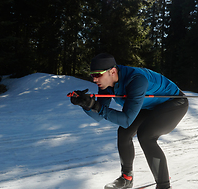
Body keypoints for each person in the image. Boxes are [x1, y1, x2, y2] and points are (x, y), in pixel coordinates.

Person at [70, 53, 188, 189]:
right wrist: (86, 105)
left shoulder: (137, 80)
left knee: (146, 135)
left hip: (174, 103)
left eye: (97, 75)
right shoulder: (106, 83)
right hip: (149, 104)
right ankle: (127, 178)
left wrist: (96, 106)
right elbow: (99, 116)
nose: (95, 80)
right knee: (124, 133)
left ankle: (164, 186)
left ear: (112, 71)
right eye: (92, 76)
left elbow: (126, 119)